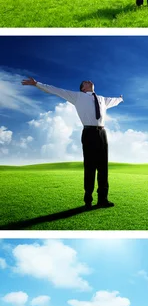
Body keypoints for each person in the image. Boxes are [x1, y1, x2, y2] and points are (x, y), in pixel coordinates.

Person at [21, 77, 123, 209]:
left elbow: (114, 101)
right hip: (89, 133)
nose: (89, 81)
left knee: (103, 168)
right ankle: (88, 200)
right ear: (83, 88)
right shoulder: (77, 97)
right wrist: (37, 84)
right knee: (90, 167)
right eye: (86, 82)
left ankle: (103, 199)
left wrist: (120, 99)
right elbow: (56, 90)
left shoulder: (102, 99)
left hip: (102, 133)